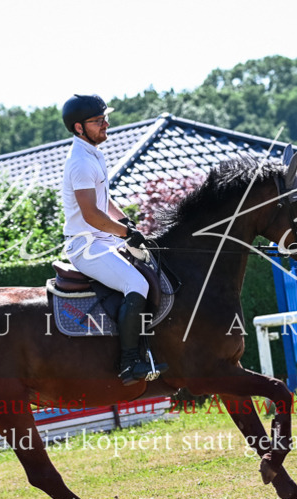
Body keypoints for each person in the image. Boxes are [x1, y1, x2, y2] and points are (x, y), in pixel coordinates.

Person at [60, 94, 167, 385]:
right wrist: (124, 233)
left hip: (104, 240)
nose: (106, 124)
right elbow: (92, 214)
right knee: (137, 283)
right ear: (79, 128)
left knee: (156, 265)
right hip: (87, 246)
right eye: (97, 121)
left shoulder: (94, 153)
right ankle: (128, 363)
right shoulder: (80, 162)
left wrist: (128, 224)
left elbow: (105, 202)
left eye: (105, 118)